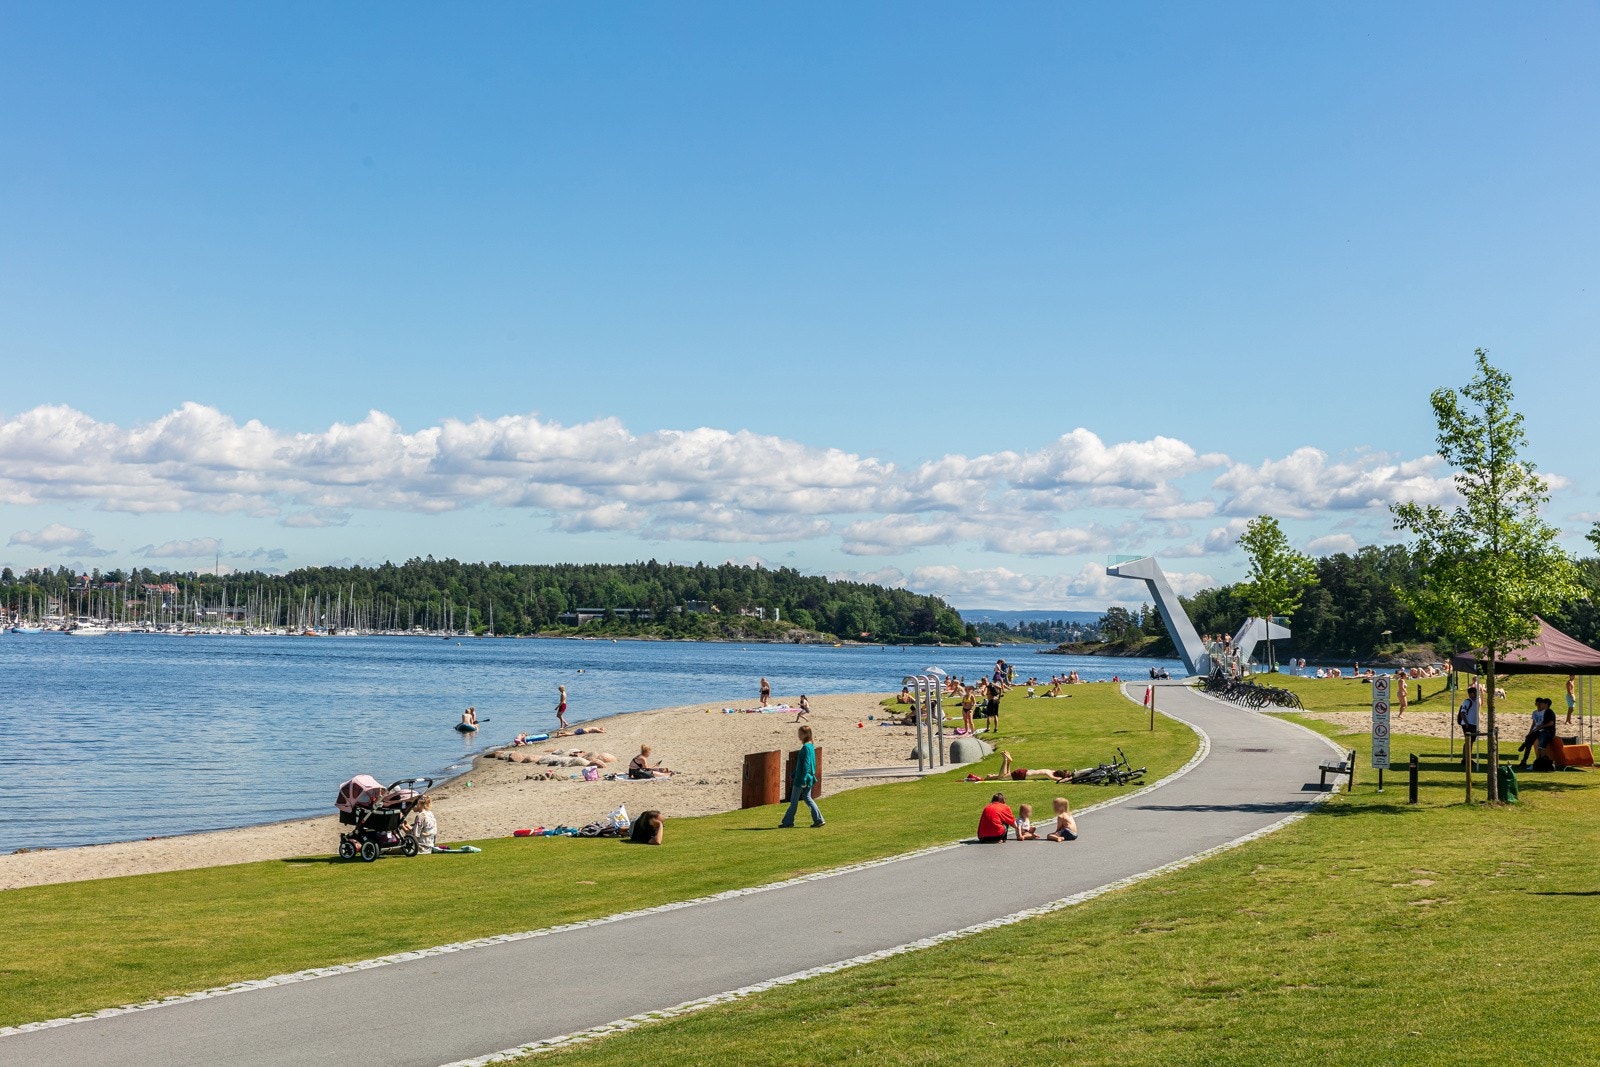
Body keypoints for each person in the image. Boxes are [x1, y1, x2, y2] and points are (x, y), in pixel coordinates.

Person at [779, 724, 824, 828]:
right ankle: (818, 820)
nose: (798, 736)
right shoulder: (810, 746)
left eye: (800, 734)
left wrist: (802, 778)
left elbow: (806, 764)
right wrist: (794, 773)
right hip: (807, 776)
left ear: (805, 735)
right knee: (807, 798)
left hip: (802, 778)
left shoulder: (806, 747)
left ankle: (788, 822)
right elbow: (805, 764)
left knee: (794, 801)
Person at [978, 750, 1071, 782]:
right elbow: (1058, 780)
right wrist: (1069, 778)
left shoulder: (1050, 770)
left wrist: (1068, 774)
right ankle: (1006, 760)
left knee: (1005, 775)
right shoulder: (1049, 775)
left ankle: (1007, 763)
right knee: (1001, 778)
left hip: (1024, 771)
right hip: (1022, 775)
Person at [1518, 699, 1555, 769]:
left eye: (1541, 704)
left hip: (1545, 731)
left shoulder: (1548, 712)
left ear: (1545, 704)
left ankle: (1540, 764)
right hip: (1540, 730)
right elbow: (1534, 724)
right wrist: (1530, 732)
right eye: (1537, 704)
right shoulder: (1538, 712)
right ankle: (1531, 761)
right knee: (1531, 741)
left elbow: (1551, 723)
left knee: (1540, 748)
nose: (1539, 706)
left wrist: (1541, 726)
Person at [1458, 685, 1481, 767]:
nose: (1476, 694)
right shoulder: (1467, 701)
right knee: (1468, 742)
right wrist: (1466, 723)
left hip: (1474, 724)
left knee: (1471, 742)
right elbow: (1462, 713)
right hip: (1468, 724)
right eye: (1474, 693)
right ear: (1470, 693)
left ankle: (1468, 758)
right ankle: (1466, 759)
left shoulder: (1476, 701)